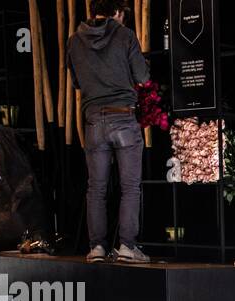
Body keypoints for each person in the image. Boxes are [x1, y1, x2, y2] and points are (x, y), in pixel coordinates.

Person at [67, 0, 150, 262]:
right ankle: (127, 246)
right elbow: (143, 77)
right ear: (117, 12)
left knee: (96, 188)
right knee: (129, 187)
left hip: (93, 120)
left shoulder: (73, 41)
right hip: (123, 117)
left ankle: (97, 248)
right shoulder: (125, 35)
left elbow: (77, 82)